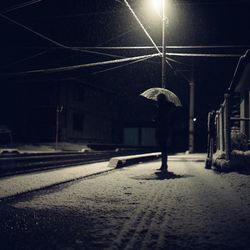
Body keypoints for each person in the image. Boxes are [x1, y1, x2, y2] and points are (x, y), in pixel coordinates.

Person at [154, 94, 174, 172]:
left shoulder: (161, 107)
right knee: (164, 148)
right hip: (166, 129)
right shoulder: (167, 107)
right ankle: (164, 164)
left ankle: (164, 165)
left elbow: (159, 117)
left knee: (162, 148)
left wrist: (155, 118)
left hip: (161, 129)